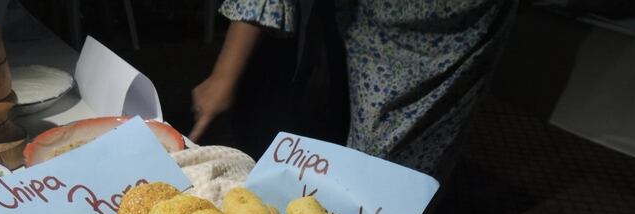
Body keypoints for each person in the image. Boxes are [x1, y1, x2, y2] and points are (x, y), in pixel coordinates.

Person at [190, 0, 518, 179]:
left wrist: (225, 76)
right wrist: (225, 75)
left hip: (458, 22)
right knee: (366, 126)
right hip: (370, 15)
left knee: (408, 157)